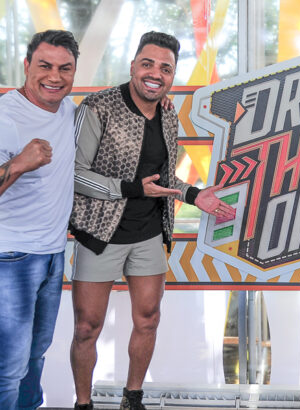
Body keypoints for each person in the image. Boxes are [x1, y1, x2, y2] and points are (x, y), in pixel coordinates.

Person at [69, 31, 235, 410]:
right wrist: (129, 188)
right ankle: (83, 403)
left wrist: (196, 195)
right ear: (133, 66)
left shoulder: (168, 112)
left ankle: (133, 397)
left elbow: (162, 180)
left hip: (148, 233)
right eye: (148, 63)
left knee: (148, 318)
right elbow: (73, 173)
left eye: (166, 68)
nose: (155, 73)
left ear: (172, 75)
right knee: (85, 328)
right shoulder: (97, 107)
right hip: (99, 233)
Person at [0, 30, 79, 410]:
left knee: (35, 356)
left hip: (52, 255)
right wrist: (17, 164)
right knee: (8, 366)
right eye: (44, 66)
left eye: (65, 68)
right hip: (10, 257)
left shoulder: (68, 110)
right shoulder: (5, 115)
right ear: (27, 66)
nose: (55, 76)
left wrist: (157, 105)